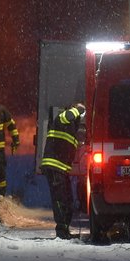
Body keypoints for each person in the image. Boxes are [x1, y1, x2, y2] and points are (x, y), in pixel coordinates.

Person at [41, 102, 87, 240]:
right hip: (55, 167)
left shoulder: (71, 130)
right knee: (61, 199)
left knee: (67, 199)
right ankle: (61, 231)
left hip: (60, 169)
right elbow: (69, 114)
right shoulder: (63, 117)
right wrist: (80, 108)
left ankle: (64, 228)